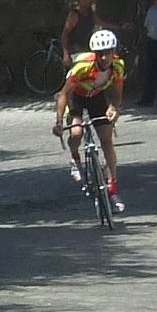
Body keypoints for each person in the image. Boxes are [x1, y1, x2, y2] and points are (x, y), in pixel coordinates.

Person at [53, 30, 126, 212]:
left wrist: (114, 108)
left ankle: (112, 189)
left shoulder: (118, 66)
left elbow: (117, 94)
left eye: (108, 53)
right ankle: (75, 157)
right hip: (76, 96)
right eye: (100, 54)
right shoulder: (83, 67)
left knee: (107, 141)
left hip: (96, 96)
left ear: (113, 51)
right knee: (76, 132)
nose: (104, 58)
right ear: (94, 54)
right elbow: (63, 94)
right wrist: (59, 121)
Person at [61, 0, 98, 65]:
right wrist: (66, 54)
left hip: (87, 47)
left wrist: (118, 26)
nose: (92, 1)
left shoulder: (90, 13)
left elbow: (98, 22)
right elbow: (65, 35)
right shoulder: (74, 15)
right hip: (75, 50)